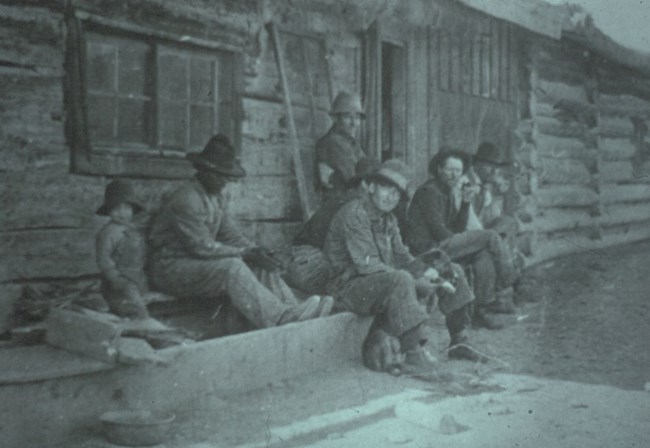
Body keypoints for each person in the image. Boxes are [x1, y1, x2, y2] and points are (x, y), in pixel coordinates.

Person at [147, 134, 332, 330]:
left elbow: (231, 236)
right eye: (222, 176)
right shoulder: (187, 200)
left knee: (262, 265)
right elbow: (201, 247)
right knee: (232, 268)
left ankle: (295, 311)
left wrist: (258, 252)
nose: (226, 181)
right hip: (171, 269)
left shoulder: (214, 198)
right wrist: (245, 254)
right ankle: (279, 318)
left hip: (196, 265)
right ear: (207, 172)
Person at [324, 159, 486, 371]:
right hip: (348, 289)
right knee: (402, 279)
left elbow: (403, 257)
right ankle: (412, 350)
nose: (391, 196)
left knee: (449, 268)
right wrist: (418, 282)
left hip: (377, 284)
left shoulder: (388, 220)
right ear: (371, 187)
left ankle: (459, 339)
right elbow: (368, 266)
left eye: (396, 192)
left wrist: (433, 271)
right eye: (385, 188)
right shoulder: (355, 215)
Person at [406, 149, 516, 329]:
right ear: (439, 169)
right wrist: (466, 241)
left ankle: (481, 309)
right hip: (427, 250)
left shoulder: (447, 191)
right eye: (449, 169)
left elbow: (456, 228)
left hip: (443, 246)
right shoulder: (429, 191)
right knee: (489, 236)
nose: (454, 174)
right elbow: (439, 231)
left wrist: (465, 202)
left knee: (483, 255)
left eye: (458, 170)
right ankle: (508, 280)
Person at [285, 157, 381, 295]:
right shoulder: (354, 206)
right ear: (366, 185)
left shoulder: (354, 200)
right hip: (309, 264)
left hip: (306, 262)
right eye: (380, 186)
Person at [95, 180, 151, 320]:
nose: (122, 212)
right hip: (120, 282)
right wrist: (113, 277)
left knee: (138, 305)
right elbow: (103, 257)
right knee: (137, 311)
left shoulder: (132, 230)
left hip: (136, 279)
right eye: (116, 208)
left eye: (126, 208)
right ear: (109, 210)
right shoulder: (109, 232)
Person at [315, 91, 365, 203]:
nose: (353, 123)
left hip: (351, 199)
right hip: (338, 203)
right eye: (348, 117)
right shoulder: (333, 142)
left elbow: (365, 165)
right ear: (335, 118)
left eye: (357, 118)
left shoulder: (350, 142)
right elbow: (354, 177)